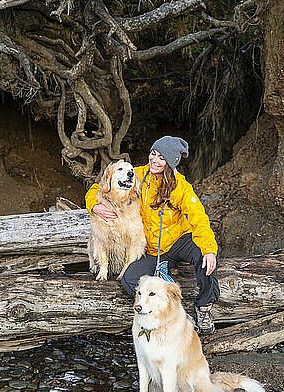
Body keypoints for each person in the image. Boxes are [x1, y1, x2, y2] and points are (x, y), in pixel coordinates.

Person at [85, 136, 219, 334]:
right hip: (151, 248)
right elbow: (98, 186)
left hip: (178, 241)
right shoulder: (140, 175)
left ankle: (204, 307)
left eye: (161, 158)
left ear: (170, 163)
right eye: (153, 154)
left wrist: (209, 249)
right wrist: (95, 206)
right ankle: (174, 312)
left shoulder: (181, 187)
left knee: (205, 256)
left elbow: (199, 217)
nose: (154, 160)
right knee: (129, 280)